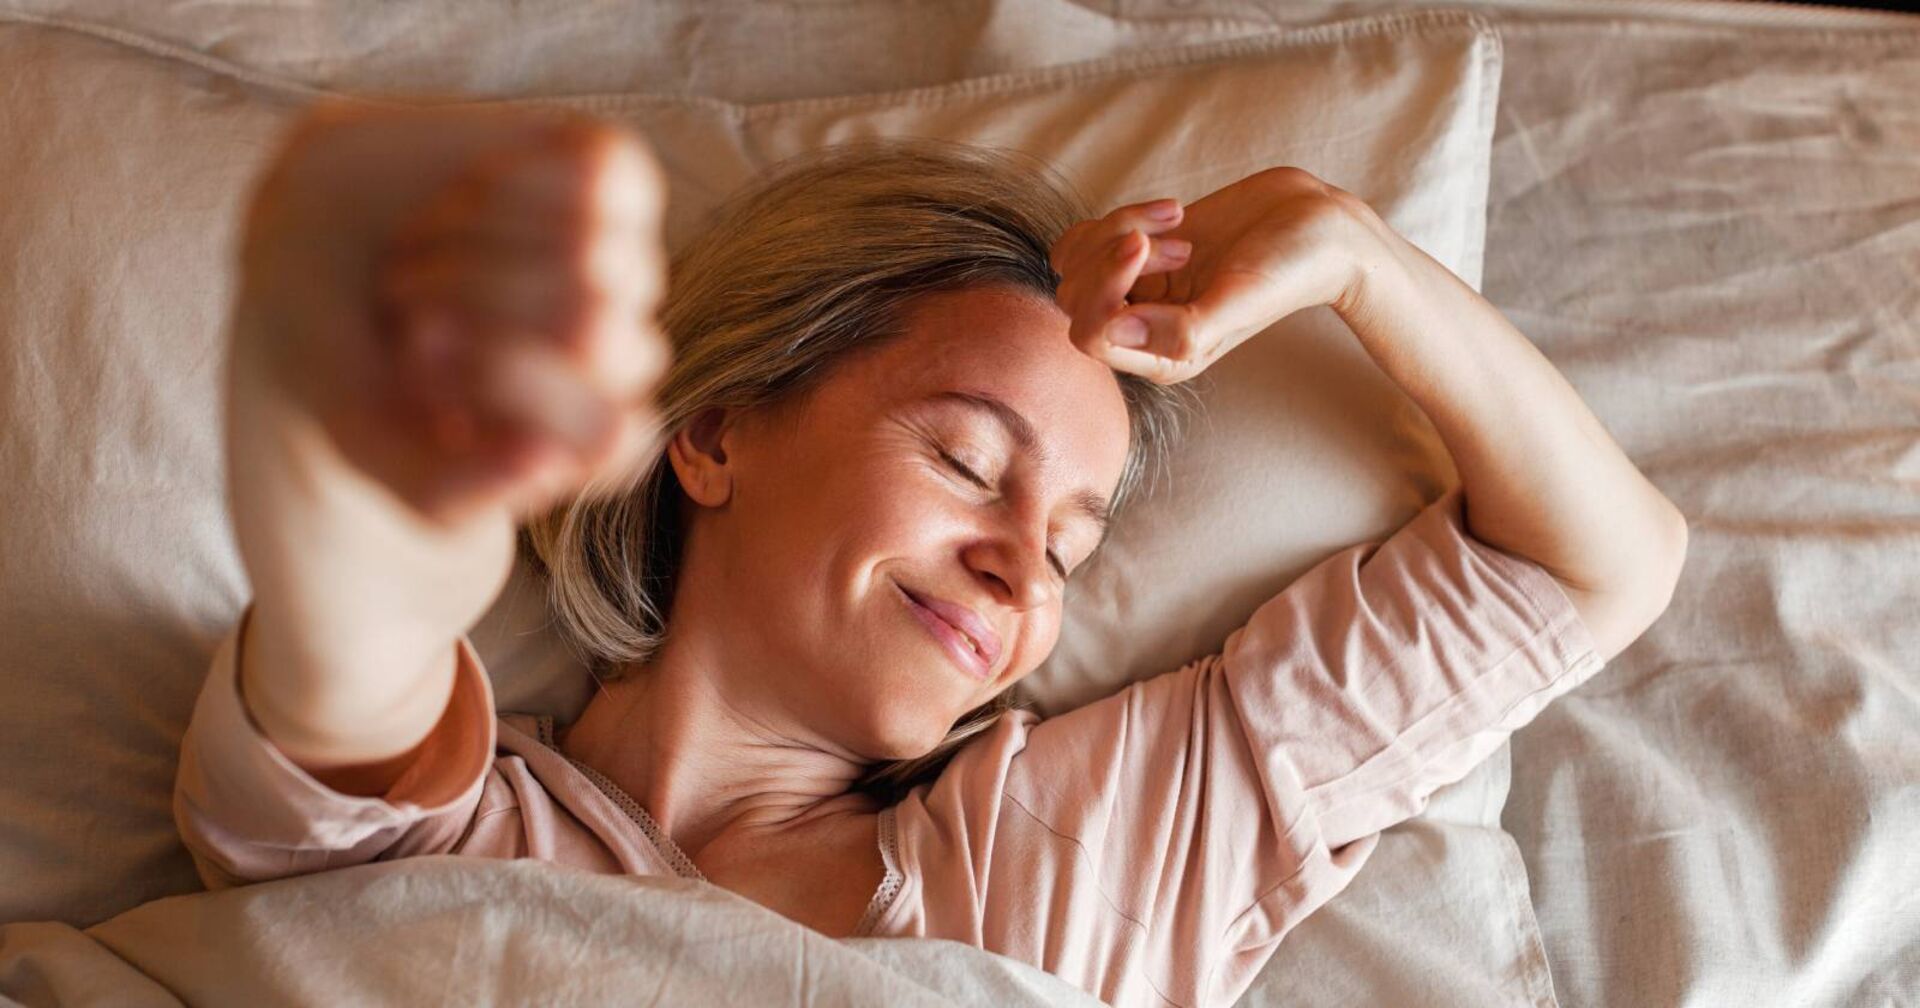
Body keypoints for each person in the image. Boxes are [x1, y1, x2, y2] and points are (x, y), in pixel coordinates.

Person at [174, 102, 1688, 1008]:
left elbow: (1597, 565)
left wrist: (1352, 250)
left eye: (1073, 548)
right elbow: (355, 633)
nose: (1025, 569)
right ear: (714, 434)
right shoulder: (438, 839)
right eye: (966, 462)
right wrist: (401, 480)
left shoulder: (1099, 845)